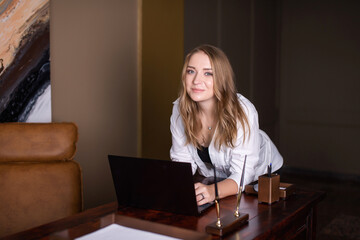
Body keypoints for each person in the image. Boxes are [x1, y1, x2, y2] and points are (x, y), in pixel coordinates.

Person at [170, 44, 283, 206]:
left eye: (208, 73)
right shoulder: (180, 110)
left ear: (222, 78)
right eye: (191, 71)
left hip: (260, 178)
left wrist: (212, 191)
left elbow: (242, 176)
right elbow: (182, 163)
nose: (196, 80)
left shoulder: (243, 111)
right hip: (214, 179)